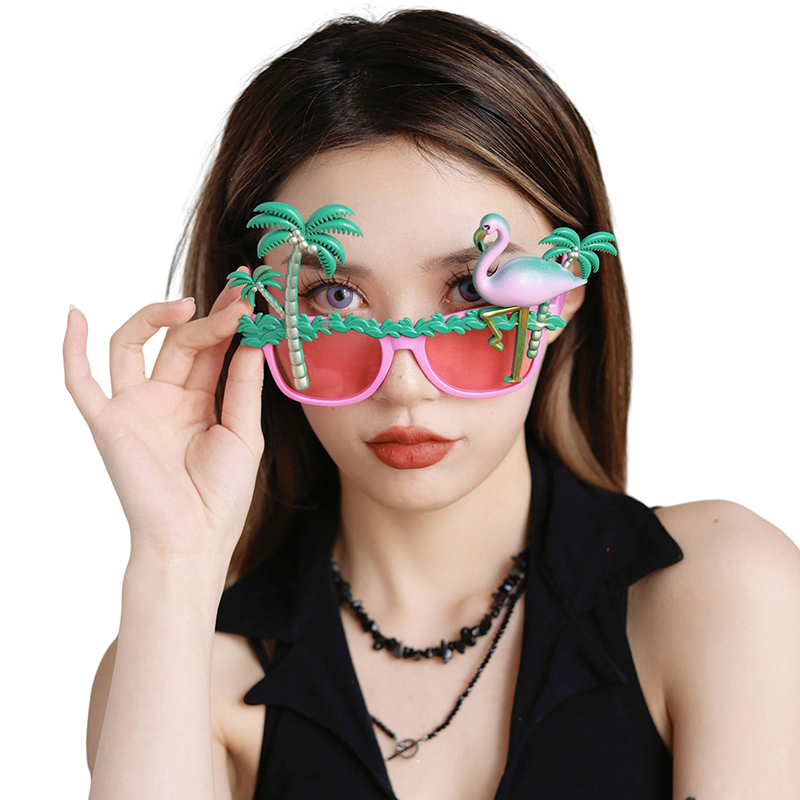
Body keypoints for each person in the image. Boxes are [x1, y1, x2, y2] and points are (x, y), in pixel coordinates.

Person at [65, 9, 799, 800]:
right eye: (334, 295)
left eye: (468, 293)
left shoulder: (722, 594)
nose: (405, 383)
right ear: (256, 315)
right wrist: (174, 561)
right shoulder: (184, 669)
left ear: (563, 296)